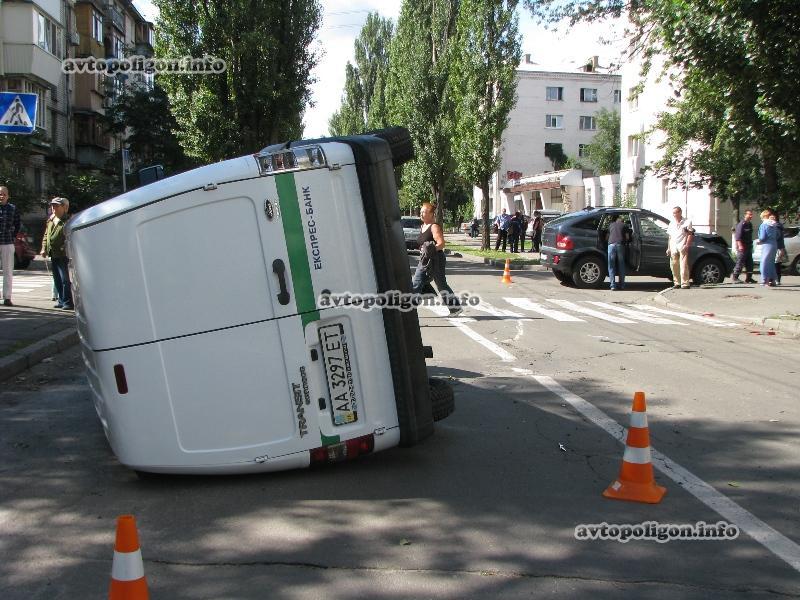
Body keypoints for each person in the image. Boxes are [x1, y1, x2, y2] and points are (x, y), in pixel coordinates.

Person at [412, 202, 462, 316]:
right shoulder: (423, 226)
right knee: (418, 281)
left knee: (439, 284)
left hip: (435, 259)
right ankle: (454, 307)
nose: (421, 213)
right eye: (421, 211)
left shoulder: (434, 226)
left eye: (424, 211)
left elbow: (441, 243)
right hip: (425, 259)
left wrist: (431, 249)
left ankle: (455, 308)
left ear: (431, 214)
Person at [41, 197, 74, 309]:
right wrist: (44, 248)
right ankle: (61, 300)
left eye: (56, 206)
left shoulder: (68, 221)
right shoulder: (51, 220)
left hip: (63, 254)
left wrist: (64, 247)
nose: (53, 208)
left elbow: (70, 237)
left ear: (65, 207)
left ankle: (68, 302)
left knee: (65, 279)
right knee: (57, 279)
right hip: (53, 253)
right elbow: (46, 235)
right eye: (52, 206)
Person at [0, 185, 21, 307]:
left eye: (3, 194)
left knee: (8, 271)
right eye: (0, 194)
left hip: (7, 243)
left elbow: (17, 224)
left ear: (8, 196)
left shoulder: (12, 208)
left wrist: (12, 236)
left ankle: (7, 297)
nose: (1, 196)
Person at [666, 206, 694, 289]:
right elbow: (670, 237)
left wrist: (687, 245)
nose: (674, 215)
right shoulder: (672, 223)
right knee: (674, 265)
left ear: (680, 212)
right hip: (673, 246)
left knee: (683, 265)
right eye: (673, 213)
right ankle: (677, 282)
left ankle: (685, 283)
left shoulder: (687, 222)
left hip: (682, 245)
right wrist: (668, 248)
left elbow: (690, 234)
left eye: (675, 213)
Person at [731, 209, 756, 283]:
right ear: (745, 215)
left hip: (748, 246)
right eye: (749, 214)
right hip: (742, 246)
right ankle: (735, 277)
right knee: (740, 262)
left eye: (751, 214)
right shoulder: (742, 224)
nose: (751, 216)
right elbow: (738, 236)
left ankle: (749, 278)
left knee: (750, 263)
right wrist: (740, 246)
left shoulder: (749, 224)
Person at [755, 209, 778, 287]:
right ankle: (773, 280)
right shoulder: (774, 225)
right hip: (774, 244)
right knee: (771, 262)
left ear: (764, 217)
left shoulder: (764, 225)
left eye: (762, 217)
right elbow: (778, 235)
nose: (761, 219)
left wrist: (759, 241)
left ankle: (765, 280)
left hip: (767, 245)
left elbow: (762, 237)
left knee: (764, 262)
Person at [607, 214, 626, 290]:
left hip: (611, 245)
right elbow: (627, 237)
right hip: (620, 245)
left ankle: (612, 285)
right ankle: (622, 285)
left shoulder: (610, 225)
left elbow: (606, 237)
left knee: (611, 266)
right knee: (621, 266)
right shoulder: (624, 226)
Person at [774, 212, 787, 285]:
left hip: (777, 247)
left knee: (776, 264)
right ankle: (777, 279)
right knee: (778, 264)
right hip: (780, 247)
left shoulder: (776, 227)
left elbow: (777, 237)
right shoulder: (779, 226)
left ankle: (776, 279)